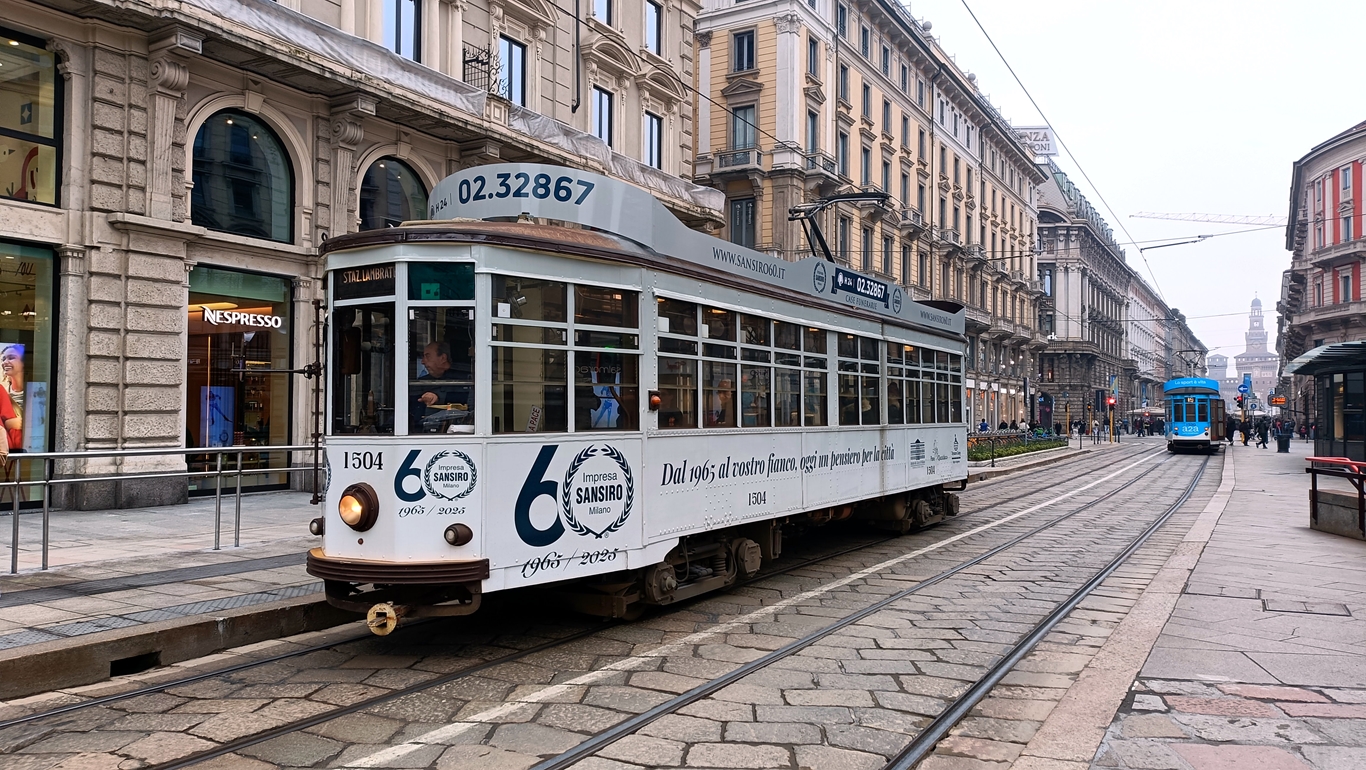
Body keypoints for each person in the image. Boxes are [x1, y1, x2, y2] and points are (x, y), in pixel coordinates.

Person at [411, 341, 471, 433]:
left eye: (427, 356)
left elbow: (466, 396)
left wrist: (437, 396)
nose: (423, 362)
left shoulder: (464, 379)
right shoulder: (420, 382)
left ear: (443, 358)